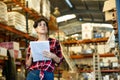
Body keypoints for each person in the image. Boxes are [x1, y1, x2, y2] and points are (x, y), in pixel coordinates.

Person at [26, 16, 64, 80]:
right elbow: (27, 64)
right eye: (40, 25)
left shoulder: (54, 42)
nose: (43, 26)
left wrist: (53, 56)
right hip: (33, 74)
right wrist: (30, 57)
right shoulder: (32, 45)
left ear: (47, 29)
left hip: (47, 74)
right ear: (36, 29)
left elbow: (59, 61)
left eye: (45, 25)